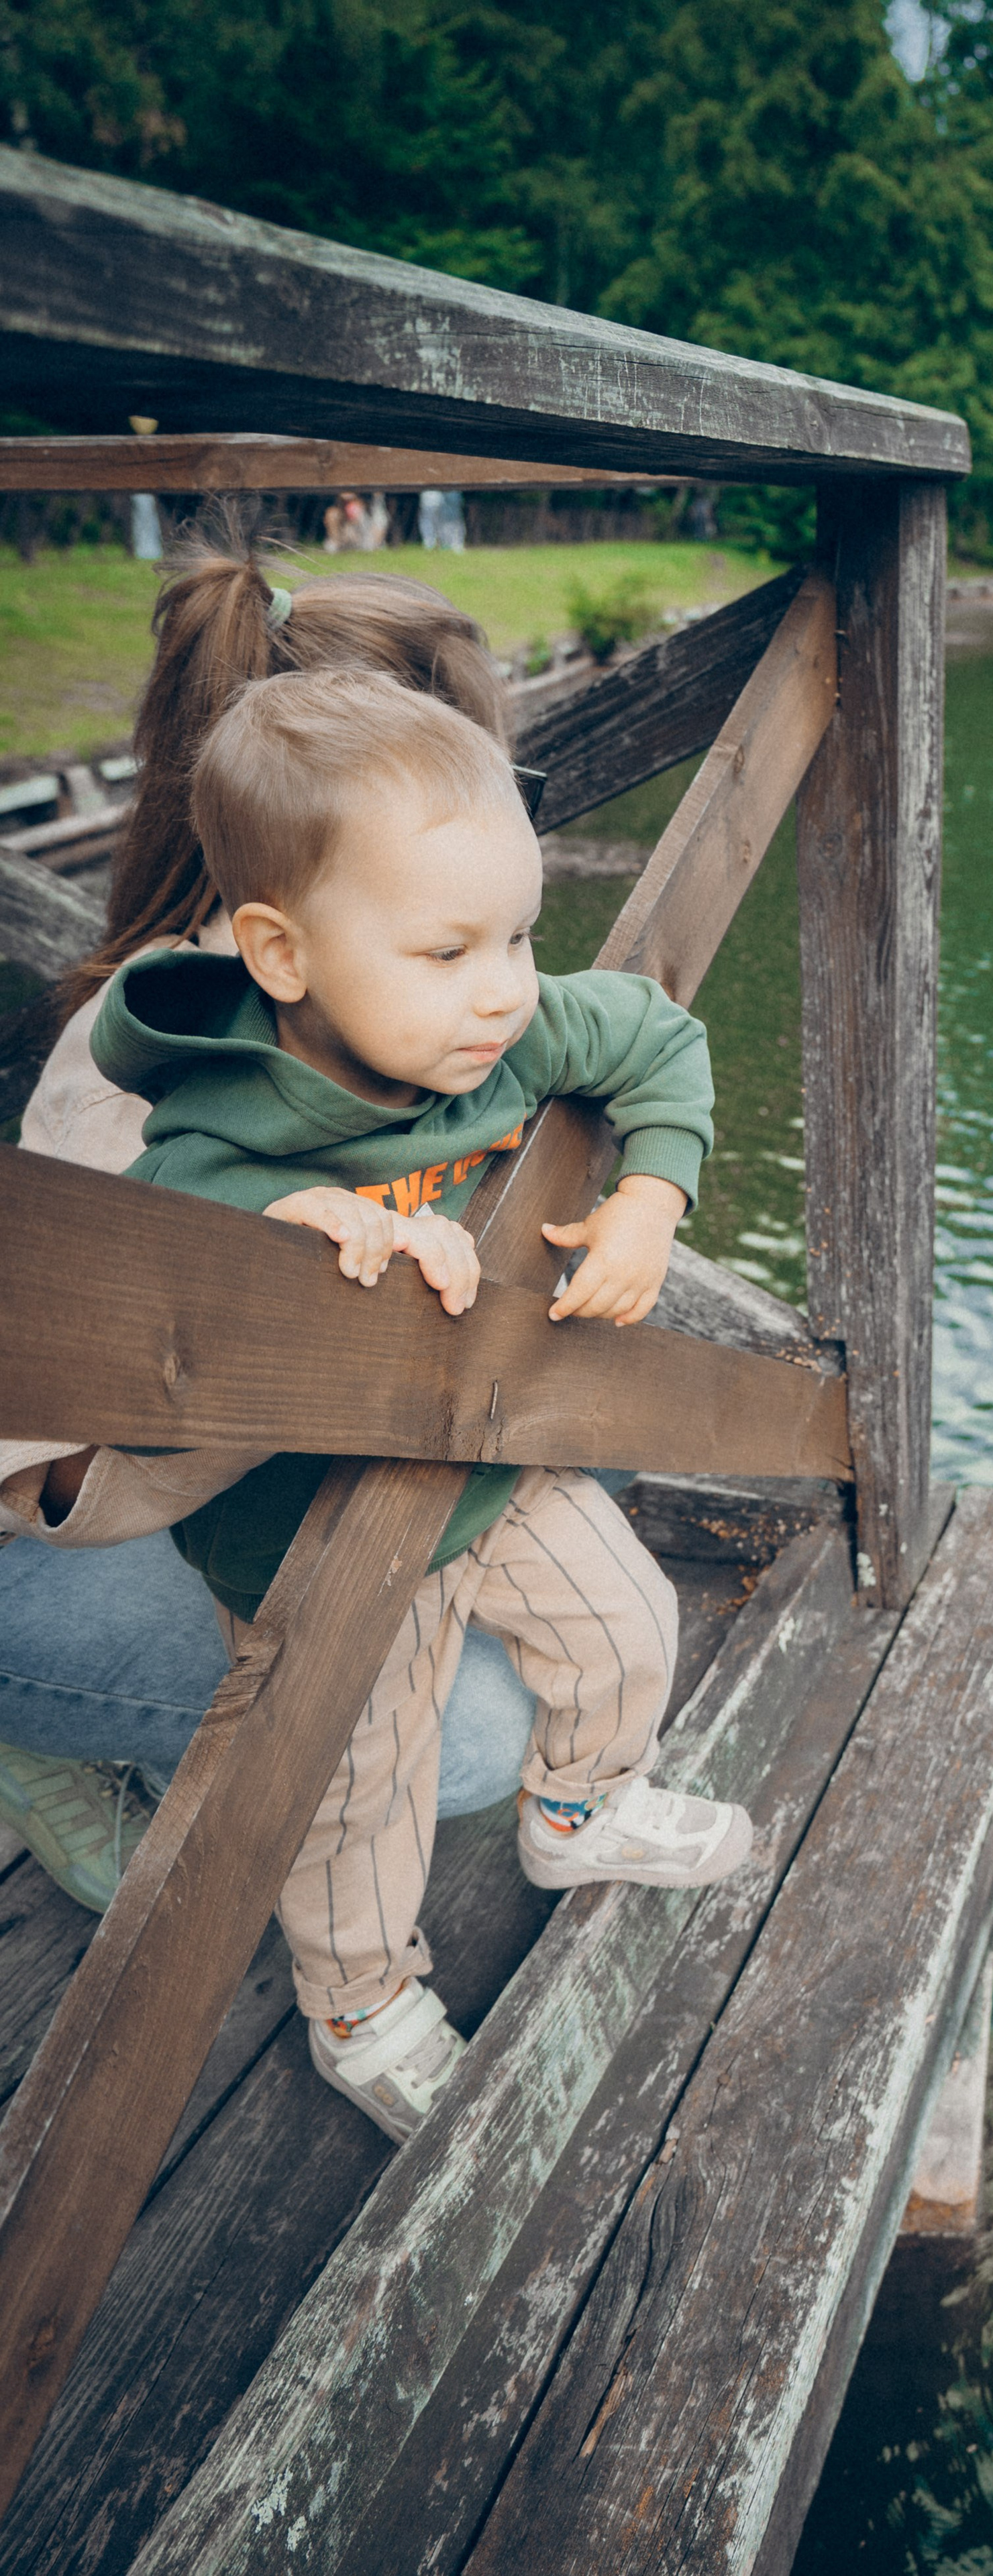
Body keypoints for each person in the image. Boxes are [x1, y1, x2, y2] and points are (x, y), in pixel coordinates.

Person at [15, 663, 748, 2141]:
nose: (501, 987)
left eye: (521, 936)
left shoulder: (500, 1026)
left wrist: (650, 1198)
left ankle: (581, 1804)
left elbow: (656, 1036)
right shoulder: (210, 1142)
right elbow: (151, 1367)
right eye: (444, 949)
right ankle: (362, 2004)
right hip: (309, 1527)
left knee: (631, 1620)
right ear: (283, 953)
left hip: (481, 1458)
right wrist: (277, 1253)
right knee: (362, 1778)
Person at [0, 537, 544, 1909]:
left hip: (228, 1482)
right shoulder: (153, 1067)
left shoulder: (350, 1010)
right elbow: (88, 1444)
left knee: (525, 1639)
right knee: (473, 1737)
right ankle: (33, 1731)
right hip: (59, 1520)